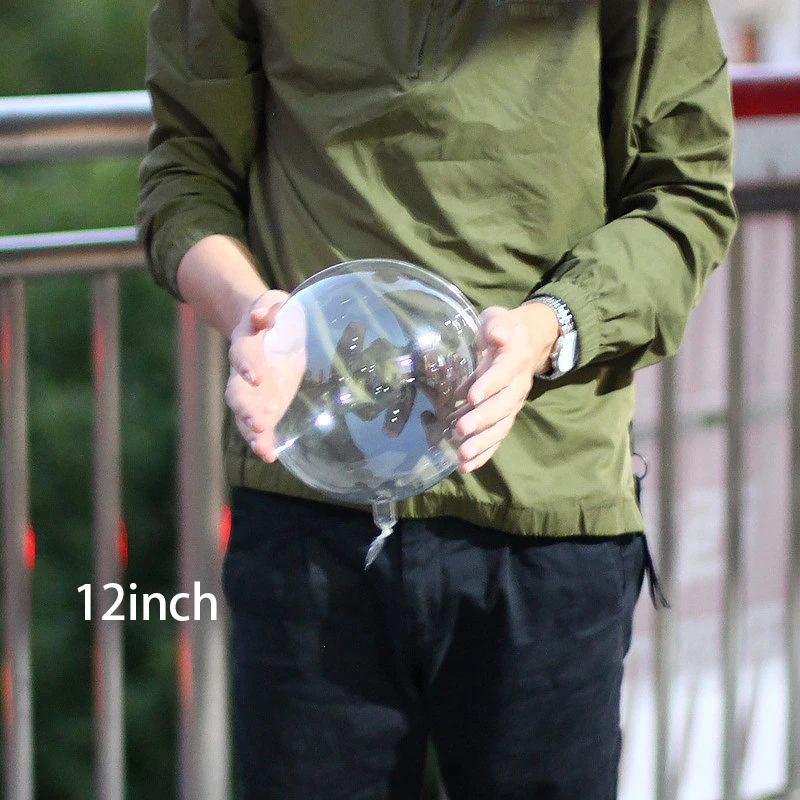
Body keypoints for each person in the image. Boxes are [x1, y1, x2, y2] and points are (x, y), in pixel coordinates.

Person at [137, 0, 737, 797]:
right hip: (309, 503)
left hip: (547, 511)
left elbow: (685, 193)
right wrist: (253, 314)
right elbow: (187, 172)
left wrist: (550, 328)